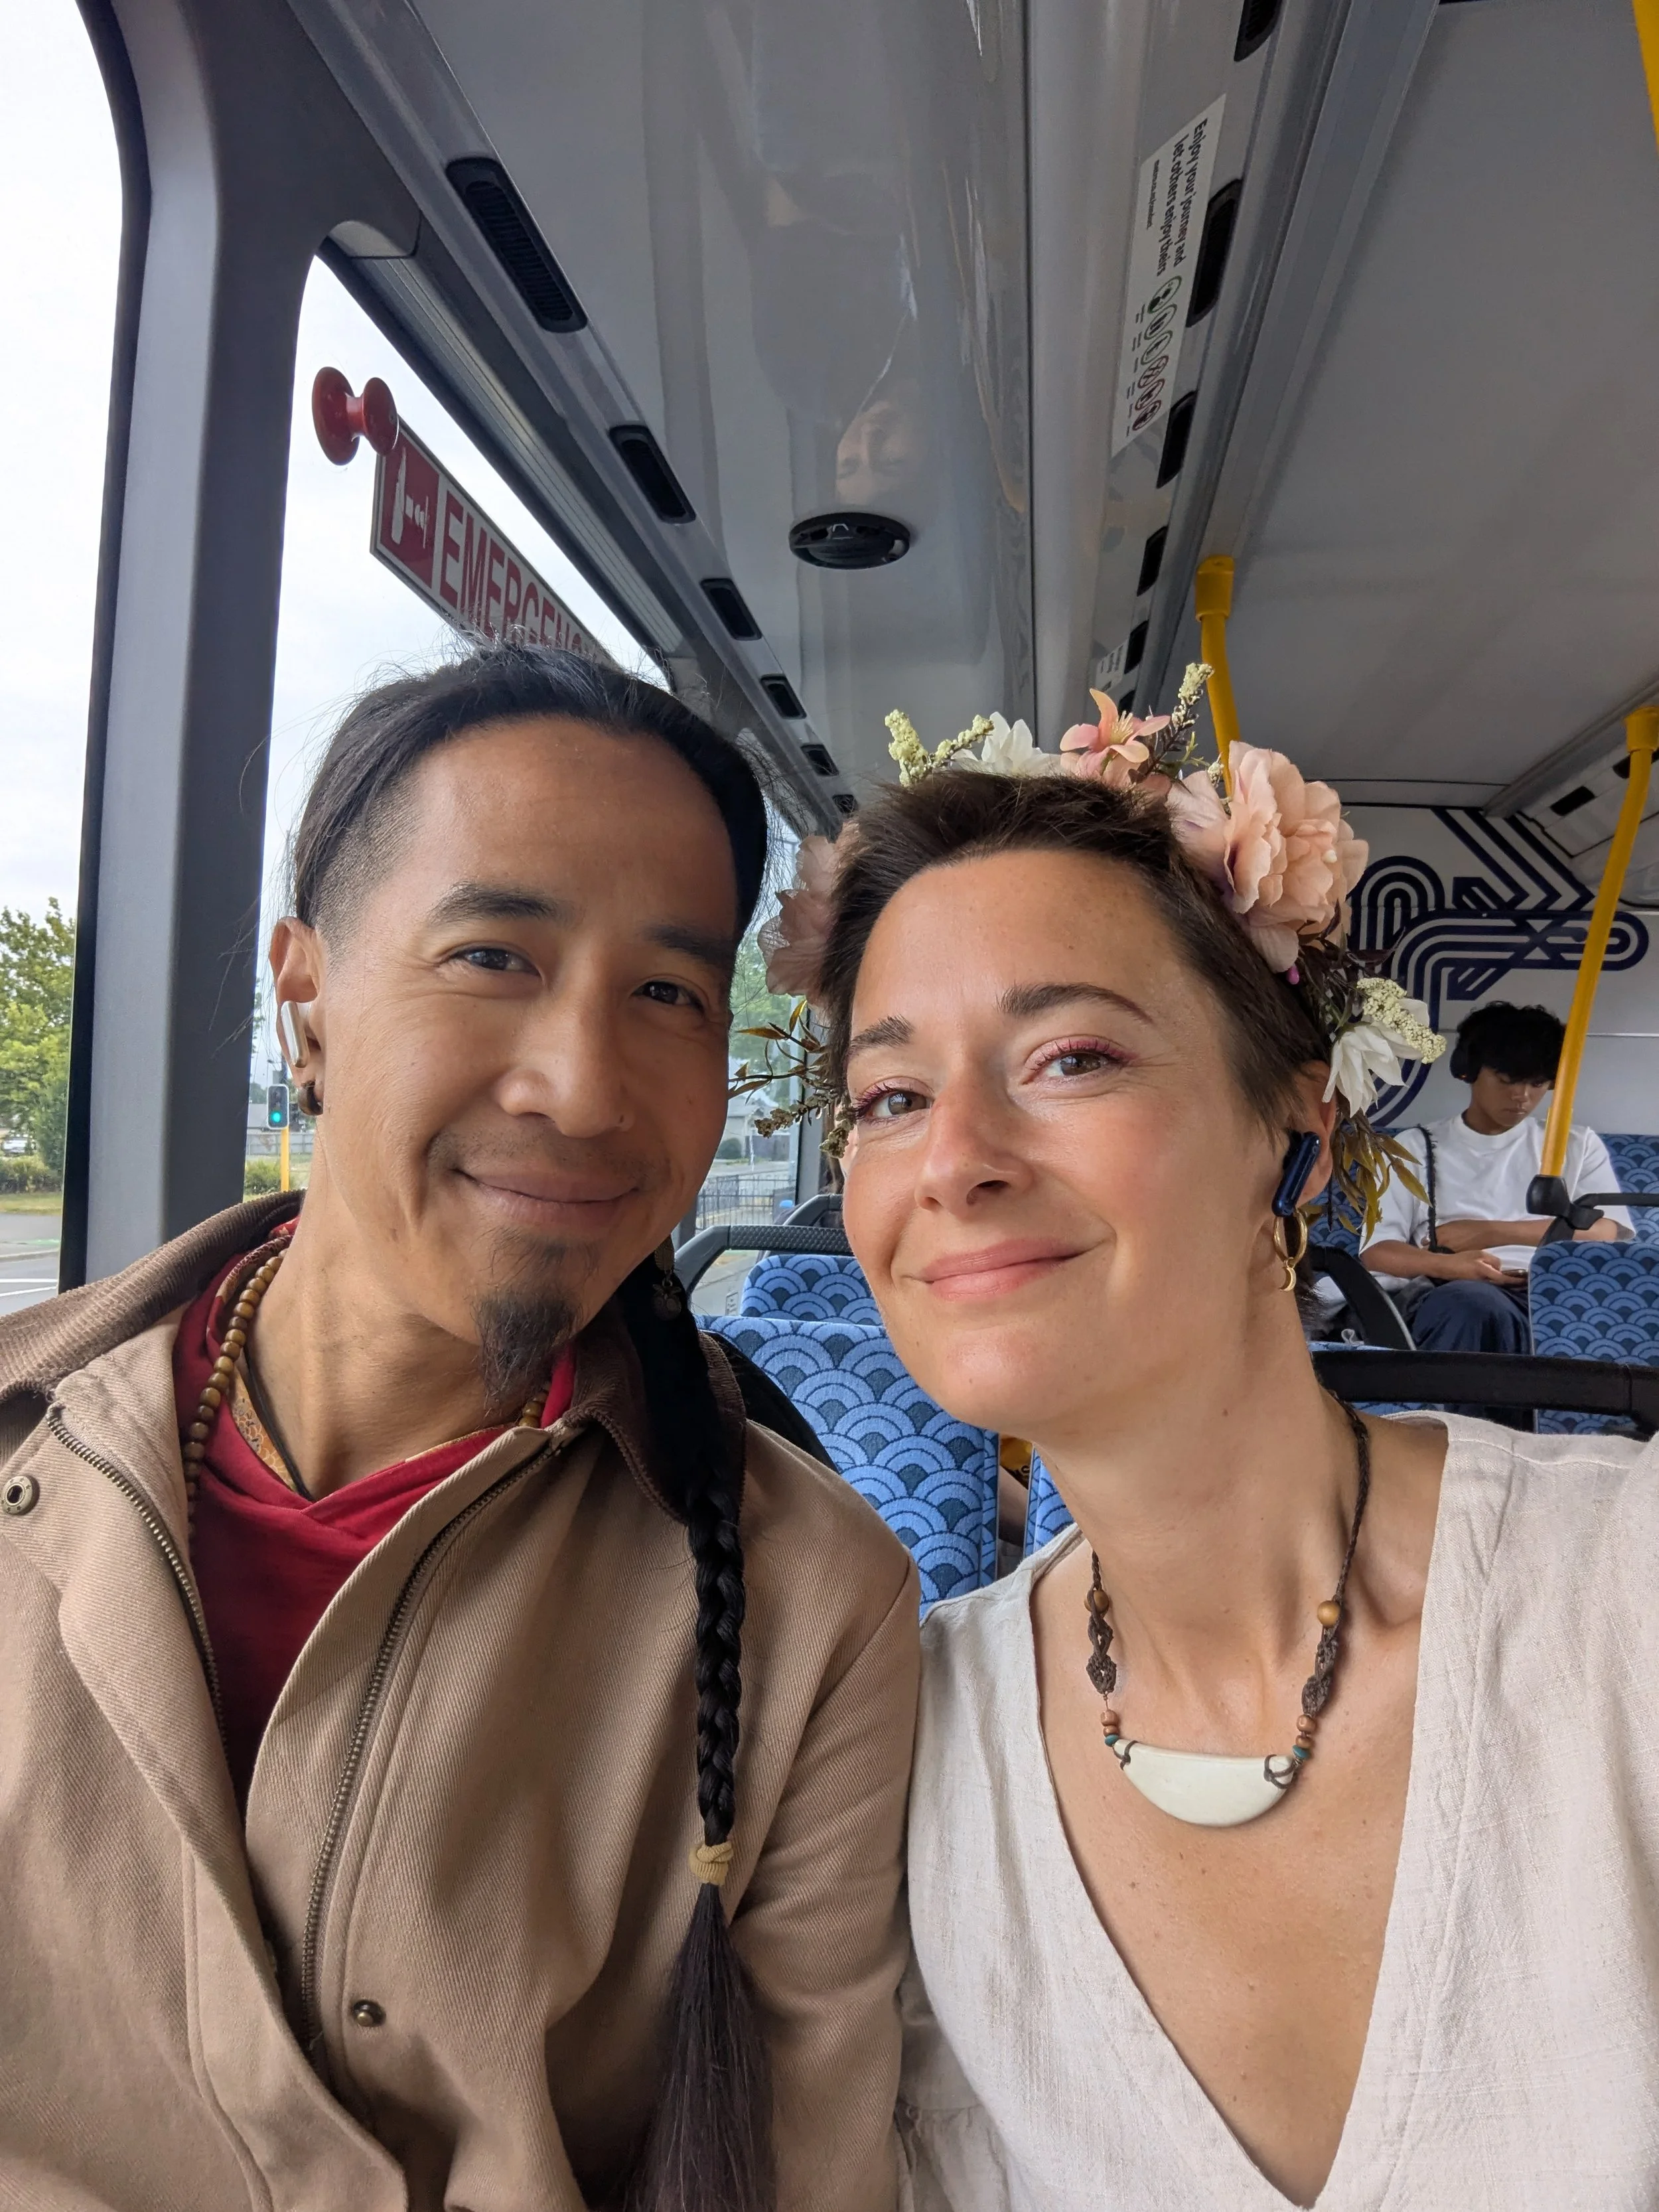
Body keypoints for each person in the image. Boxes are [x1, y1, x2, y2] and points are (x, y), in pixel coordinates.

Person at [0, 645, 919, 2212]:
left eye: (668, 993)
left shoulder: (813, 1605)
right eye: (494, 955)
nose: (582, 1087)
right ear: (304, 999)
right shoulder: (35, 1435)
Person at [762, 691, 1659, 2209]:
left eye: (1070, 1058)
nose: (954, 1160)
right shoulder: (896, 1750)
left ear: (1294, 1139)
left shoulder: (1618, 1601)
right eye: (891, 1096)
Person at [1360, 999, 1630, 1354]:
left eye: (1537, 1083)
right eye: (1506, 1081)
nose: (1522, 1097)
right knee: (1470, 1306)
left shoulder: (1576, 1144)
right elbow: (1377, 1251)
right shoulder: (1412, 1147)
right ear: (1468, 1071)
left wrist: (1490, 1232)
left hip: (1555, 1292)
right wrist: (1449, 1265)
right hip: (1453, 1292)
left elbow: (1605, 1231)